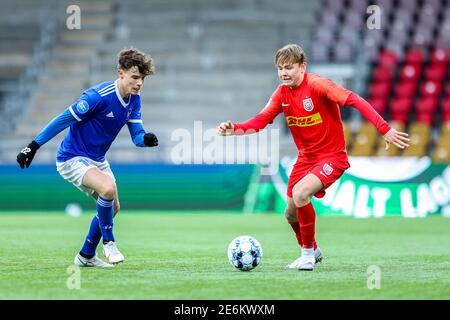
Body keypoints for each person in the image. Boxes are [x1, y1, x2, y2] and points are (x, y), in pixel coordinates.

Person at [217, 44, 410, 271]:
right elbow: (261, 120)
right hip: (305, 159)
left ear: (302, 67)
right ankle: (313, 250)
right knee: (289, 213)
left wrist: (384, 128)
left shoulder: (318, 85)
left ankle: (307, 255)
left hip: (332, 157)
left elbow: (355, 100)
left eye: (288, 67)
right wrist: (235, 129)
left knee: (300, 194)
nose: (283, 73)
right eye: (280, 69)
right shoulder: (281, 93)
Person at [16, 48, 159, 268]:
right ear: (120, 73)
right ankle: (109, 243)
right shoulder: (97, 97)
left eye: (143, 78)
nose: (139, 83)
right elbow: (62, 119)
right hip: (72, 157)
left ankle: (86, 256)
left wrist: (146, 139)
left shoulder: (134, 100)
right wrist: (33, 146)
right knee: (108, 189)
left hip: (97, 159)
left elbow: (137, 137)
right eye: (135, 77)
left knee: (113, 207)